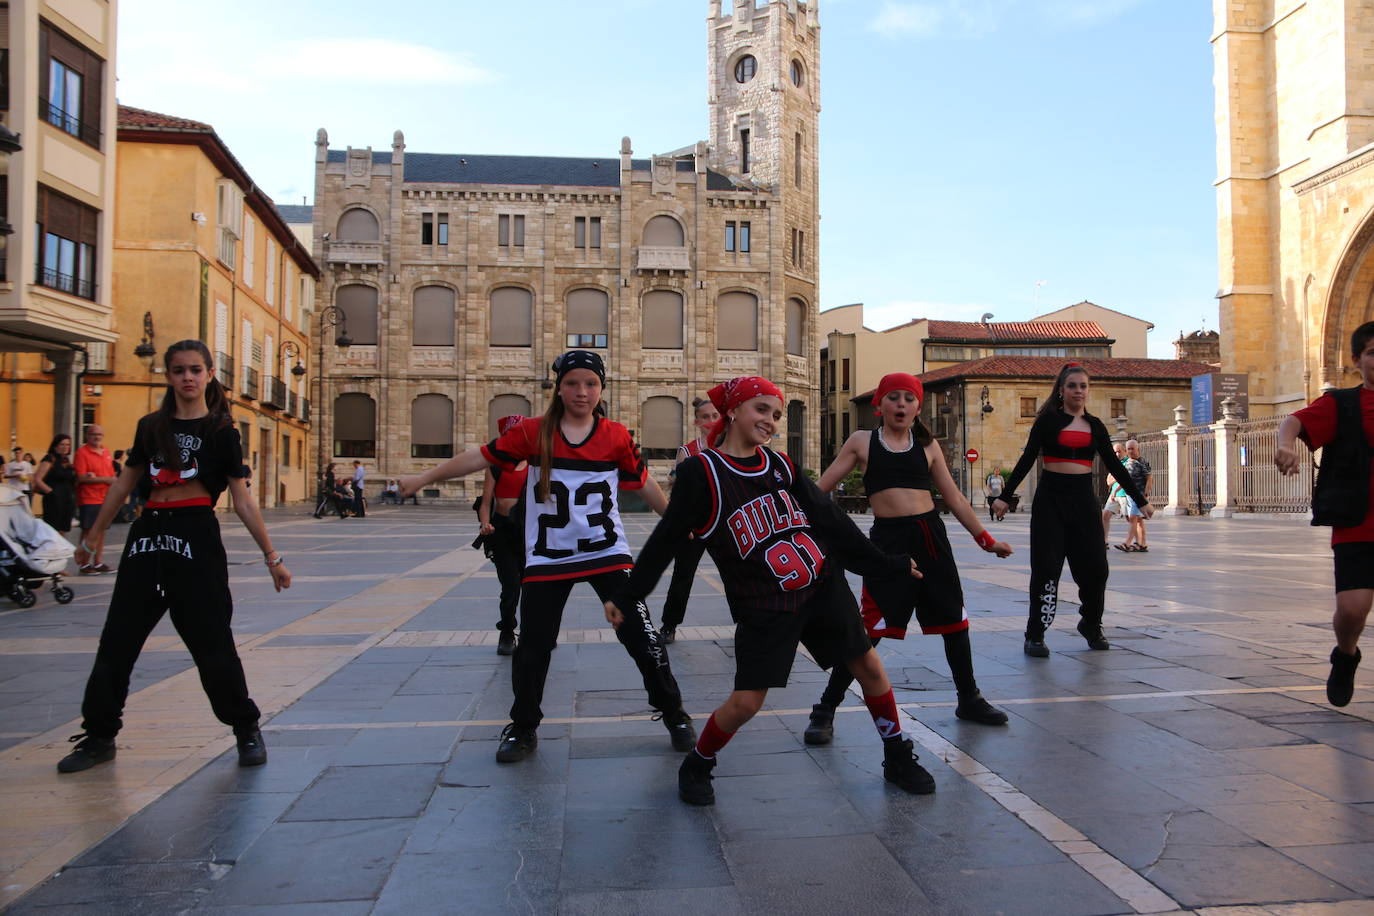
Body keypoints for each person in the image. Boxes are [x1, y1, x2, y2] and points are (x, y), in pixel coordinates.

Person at [605, 376, 939, 807]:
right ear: (735, 411)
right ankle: (699, 762)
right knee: (746, 702)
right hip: (764, 602)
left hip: (820, 583)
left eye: (777, 414)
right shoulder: (701, 473)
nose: (771, 421)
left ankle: (896, 755)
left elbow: (831, 522)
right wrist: (630, 594)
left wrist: (886, 565)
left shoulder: (780, 465)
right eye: (762, 409)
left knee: (869, 666)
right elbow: (667, 538)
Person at [399, 350, 694, 762]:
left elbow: (644, 485)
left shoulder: (615, 436)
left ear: (601, 389)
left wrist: (679, 522)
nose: (582, 391)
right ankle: (523, 727)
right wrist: (423, 477)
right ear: (559, 387)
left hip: (606, 554)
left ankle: (674, 714)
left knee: (642, 638)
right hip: (548, 557)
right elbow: (480, 457)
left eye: (591, 384)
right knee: (533, 647)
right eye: (573, 383)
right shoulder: (533, 432)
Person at [56, 340, 291, 774]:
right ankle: (99, 736)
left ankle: (245, 728)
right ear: (168, 375)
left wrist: (271, 556)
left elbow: (242, 500)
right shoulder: (150, 427)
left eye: (196, 370)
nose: (187, 377)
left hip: (196, 537)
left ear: (208, 375)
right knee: (117, 643)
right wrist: (95, 534)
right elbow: (123, 485)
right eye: (179, 370)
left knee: (212, 644)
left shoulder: (222, 432)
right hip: (148, 537)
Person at [802, 372, 1014, 746]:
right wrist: (795, 525)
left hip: (931, 539)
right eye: (894, 398)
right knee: (869, 629)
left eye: (909, 399)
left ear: (918, 407)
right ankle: (825, 708)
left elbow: (954, 498)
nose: (901, 404)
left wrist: (985, 538)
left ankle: (970, 699)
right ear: (879, 405)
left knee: (954, 622)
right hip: (887, 546)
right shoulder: (862, 442)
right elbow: (820, 491)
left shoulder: (927, 446)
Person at [993, 363, 1152, 657]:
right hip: (1051, 499)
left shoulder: (1095, 426)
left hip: (1083, 500)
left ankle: (1091, 625)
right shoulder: (1047, 421)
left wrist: (1139, 499)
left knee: (1096, 569)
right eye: (1072, 386)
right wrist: (1004, 495)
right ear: (1062, 390)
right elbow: (1028, 458)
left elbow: (1115, 465)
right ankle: (1036, 634)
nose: (1078, 391)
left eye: (1083, 386)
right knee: (1046, 569)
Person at [1275, 320, 1374, 707]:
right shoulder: (1341, 404)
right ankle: (1345, 655)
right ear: (1357, 360)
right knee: (1352, 610)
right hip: (1357, 521)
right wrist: (1286, 446)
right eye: (1372, 353)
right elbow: (1293, 420)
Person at [659, 396, 721, 644]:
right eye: (705, 417)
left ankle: (746, 623)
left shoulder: (732, 447)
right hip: (695, 525)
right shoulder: (688, 450)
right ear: (697, 422)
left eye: (715, 416)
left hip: (724, 524)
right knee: (682, 574)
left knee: (737, 576)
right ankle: (669, 625)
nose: (711, 421)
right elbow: (679, 490)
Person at [477, 415, 529, 657]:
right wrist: (485, 523)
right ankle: (507, 632)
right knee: (510, 587)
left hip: (529, 532)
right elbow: (486, 502)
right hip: (502, 532)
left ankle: (535, 632)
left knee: (534, 587)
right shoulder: (495, 466)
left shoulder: (535, 466)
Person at [73, 425, 118, 574]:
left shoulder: (106, 452)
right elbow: (82, 477)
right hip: (89, 497)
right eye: (93, 434)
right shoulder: (82, 453)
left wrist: (97, 478)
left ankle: (98, 562)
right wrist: (104, 479)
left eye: (99, 434)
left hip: (105, 497)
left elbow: (113, 476)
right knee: (88, 531)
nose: (96, 437)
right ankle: (84, 563)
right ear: (87, 435)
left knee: (102, 531)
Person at [33, 435, 77, 535]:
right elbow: (38, 478)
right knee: (52, 529)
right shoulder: (49, 458)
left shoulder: (66, 460)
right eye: (62, 444)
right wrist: (51, 492)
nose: (65, 447)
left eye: (67, 444)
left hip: (67, 499)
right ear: (55, 446)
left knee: (63, 529)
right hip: (53, 500)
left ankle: (60, 550)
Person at [1116, 438, 1152, 553]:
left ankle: (1127, 544)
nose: (1131, 451)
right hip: (1129, 496)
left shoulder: (1142, 462)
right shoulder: (1127, 462)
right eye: (1128, 449)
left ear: (1138, 449)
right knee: (1139, 521)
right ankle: (1143, 544)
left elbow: (1149, 479)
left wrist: (1146, 494)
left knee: (1133, 519)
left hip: (1139, 495)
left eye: (1132, 449)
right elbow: (1125, 479)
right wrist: (1116, 491)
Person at [1102, 443, 1126, 548]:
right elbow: (1108, 480)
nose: (1117, 454)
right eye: (1115, 452)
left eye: (1119, 451)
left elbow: (1124, 478)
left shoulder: (1127, 463)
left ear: (1124, 451)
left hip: (1124, 494)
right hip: (1114, 494)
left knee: (1133, 519)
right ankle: (1104, 541)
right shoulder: (1115, 463)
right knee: (1105, 515)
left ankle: (1139, 542)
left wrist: (1115, 478)